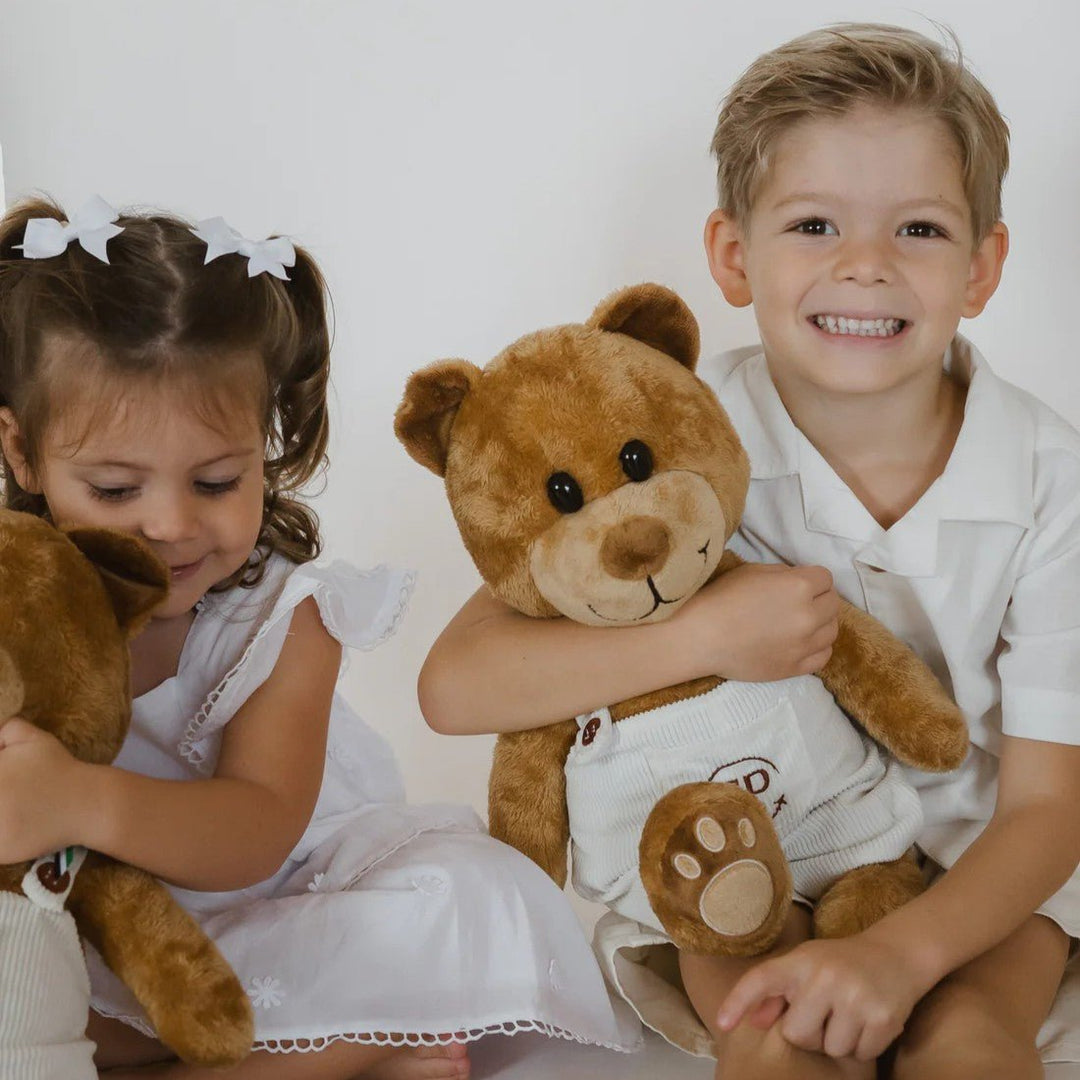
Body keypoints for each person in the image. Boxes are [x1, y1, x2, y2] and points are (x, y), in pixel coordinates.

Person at [418, 24, 1080, 1080]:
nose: (863, 265)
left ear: (982, 268)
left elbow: (1050, 807)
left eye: (917, 228)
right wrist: (708, 633)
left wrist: (900, 958)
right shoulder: (671, 436)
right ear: (733, 257)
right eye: (814, 224)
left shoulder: (1050, 477)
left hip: (978, 878)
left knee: (968, 1041)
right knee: (771, 1037)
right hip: (748, 854)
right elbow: (457, 687)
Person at [0, 196, 638, 1080]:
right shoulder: (18, 603)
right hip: (107, 934)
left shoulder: (284, 614)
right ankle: (357, 1057)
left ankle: (317, 1052)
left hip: (287, 905)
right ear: (22, 454)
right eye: (114, 489)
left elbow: (258, 827)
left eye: (218, 481)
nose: (172, 524)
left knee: (463, 898)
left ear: (266, 451)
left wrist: (79, 800)